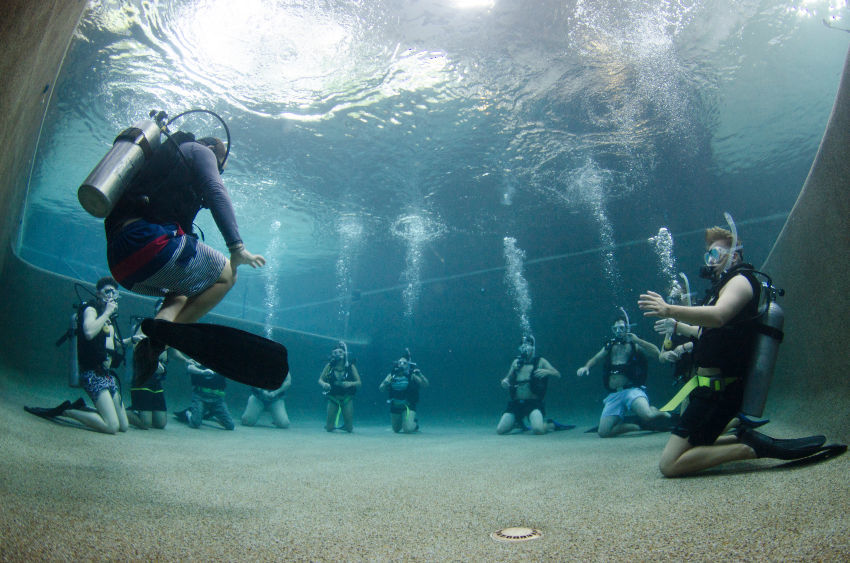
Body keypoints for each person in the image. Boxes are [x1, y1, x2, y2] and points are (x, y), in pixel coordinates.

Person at [638, 225, 827, 476]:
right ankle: (740, 436)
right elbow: (707, 333)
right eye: (708, 255)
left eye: (715, 254)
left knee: (669, 465)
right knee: (693, 446)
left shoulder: (740, 281)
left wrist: (669, 309)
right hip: (709, 391)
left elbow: (719, 316)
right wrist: (676, 325)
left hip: (719, 394)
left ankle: (749, 448)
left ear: (734, 255)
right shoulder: (724, 286)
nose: (710, 261)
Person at [104, 132, 265, 387]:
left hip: (121, 265)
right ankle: (166, 340)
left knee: (180, 293)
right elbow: (215, 190)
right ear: (212, 148)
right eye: (220, 165)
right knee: (227, 275)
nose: (219, 171)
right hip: (147, 244)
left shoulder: (171, 163)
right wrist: (237, 247)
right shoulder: (200, 151)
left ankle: (154, 342)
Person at [25, 278, 131, 434]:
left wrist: (133, 340)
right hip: (92, 374)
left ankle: (82, 408)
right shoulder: (91, 309)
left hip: (107, 375)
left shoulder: (107, 317)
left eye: (114, 292)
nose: (111, 295)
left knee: (124, 426)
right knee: (112, 427)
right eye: (107, 291)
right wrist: (108, 312)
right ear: (98, 293)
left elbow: (113, 344)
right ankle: (68, 411)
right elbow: (88, 332)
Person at [576, 316, 671, 437]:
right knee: (603, 432)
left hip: (632, 390)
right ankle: (634, 427)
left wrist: (638, 340)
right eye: (615, 328)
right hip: (614, 394)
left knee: (648, 416)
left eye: (621, 328)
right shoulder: (610, 345)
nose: (618, 331)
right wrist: (586, 367)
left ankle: (654, 411)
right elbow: (596, 358)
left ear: (627, 328)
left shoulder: (634, 344)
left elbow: (656, 353)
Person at [496, 336, 563, 435]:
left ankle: (551, 425)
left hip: (533, 403)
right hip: (517, 403)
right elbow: (508, 378)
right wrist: (504, 382)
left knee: (538, 430)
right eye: (522, 344)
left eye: (528, 344)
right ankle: (517, 424)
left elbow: (558, 374)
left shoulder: (540, 361)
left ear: (533, 347)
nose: (525, 347)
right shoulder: (516, 362)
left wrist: (548, 371)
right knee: (500, 430)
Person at [174, 359, 235, 430]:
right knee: (195, 423)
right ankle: (188, 412)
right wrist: (202, 372)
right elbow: (190, 367)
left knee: (230, 426)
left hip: (218, 399)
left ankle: (211, 415)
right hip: (200, 397)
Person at [378, 350, 429, 433]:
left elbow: (425, 384)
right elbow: (381, 388)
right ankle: (406, 420)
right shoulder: (391, 375)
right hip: (395, 405)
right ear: (397, 364)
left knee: (407, 429)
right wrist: (386, 382)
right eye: (400, 362)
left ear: (408, 365)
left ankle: (414, 424)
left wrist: (420, 374)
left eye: (404, 363)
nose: (401, 364)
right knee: (396, 429)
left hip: (408, 406)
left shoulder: (412, 375)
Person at [318, 342, 361, 432]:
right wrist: (324, 384)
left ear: (345, 354)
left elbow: (359, 382)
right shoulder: (329, 366)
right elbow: (320, 380)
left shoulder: (350, 366)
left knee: (349, 429)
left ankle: (346, 425)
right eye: (335, 352)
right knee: (329, 428)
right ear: (332, 354)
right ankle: (330, 425)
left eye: (340, 352)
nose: (338, 354)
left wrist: (350, 383)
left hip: (346, 398)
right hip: (333, 397)